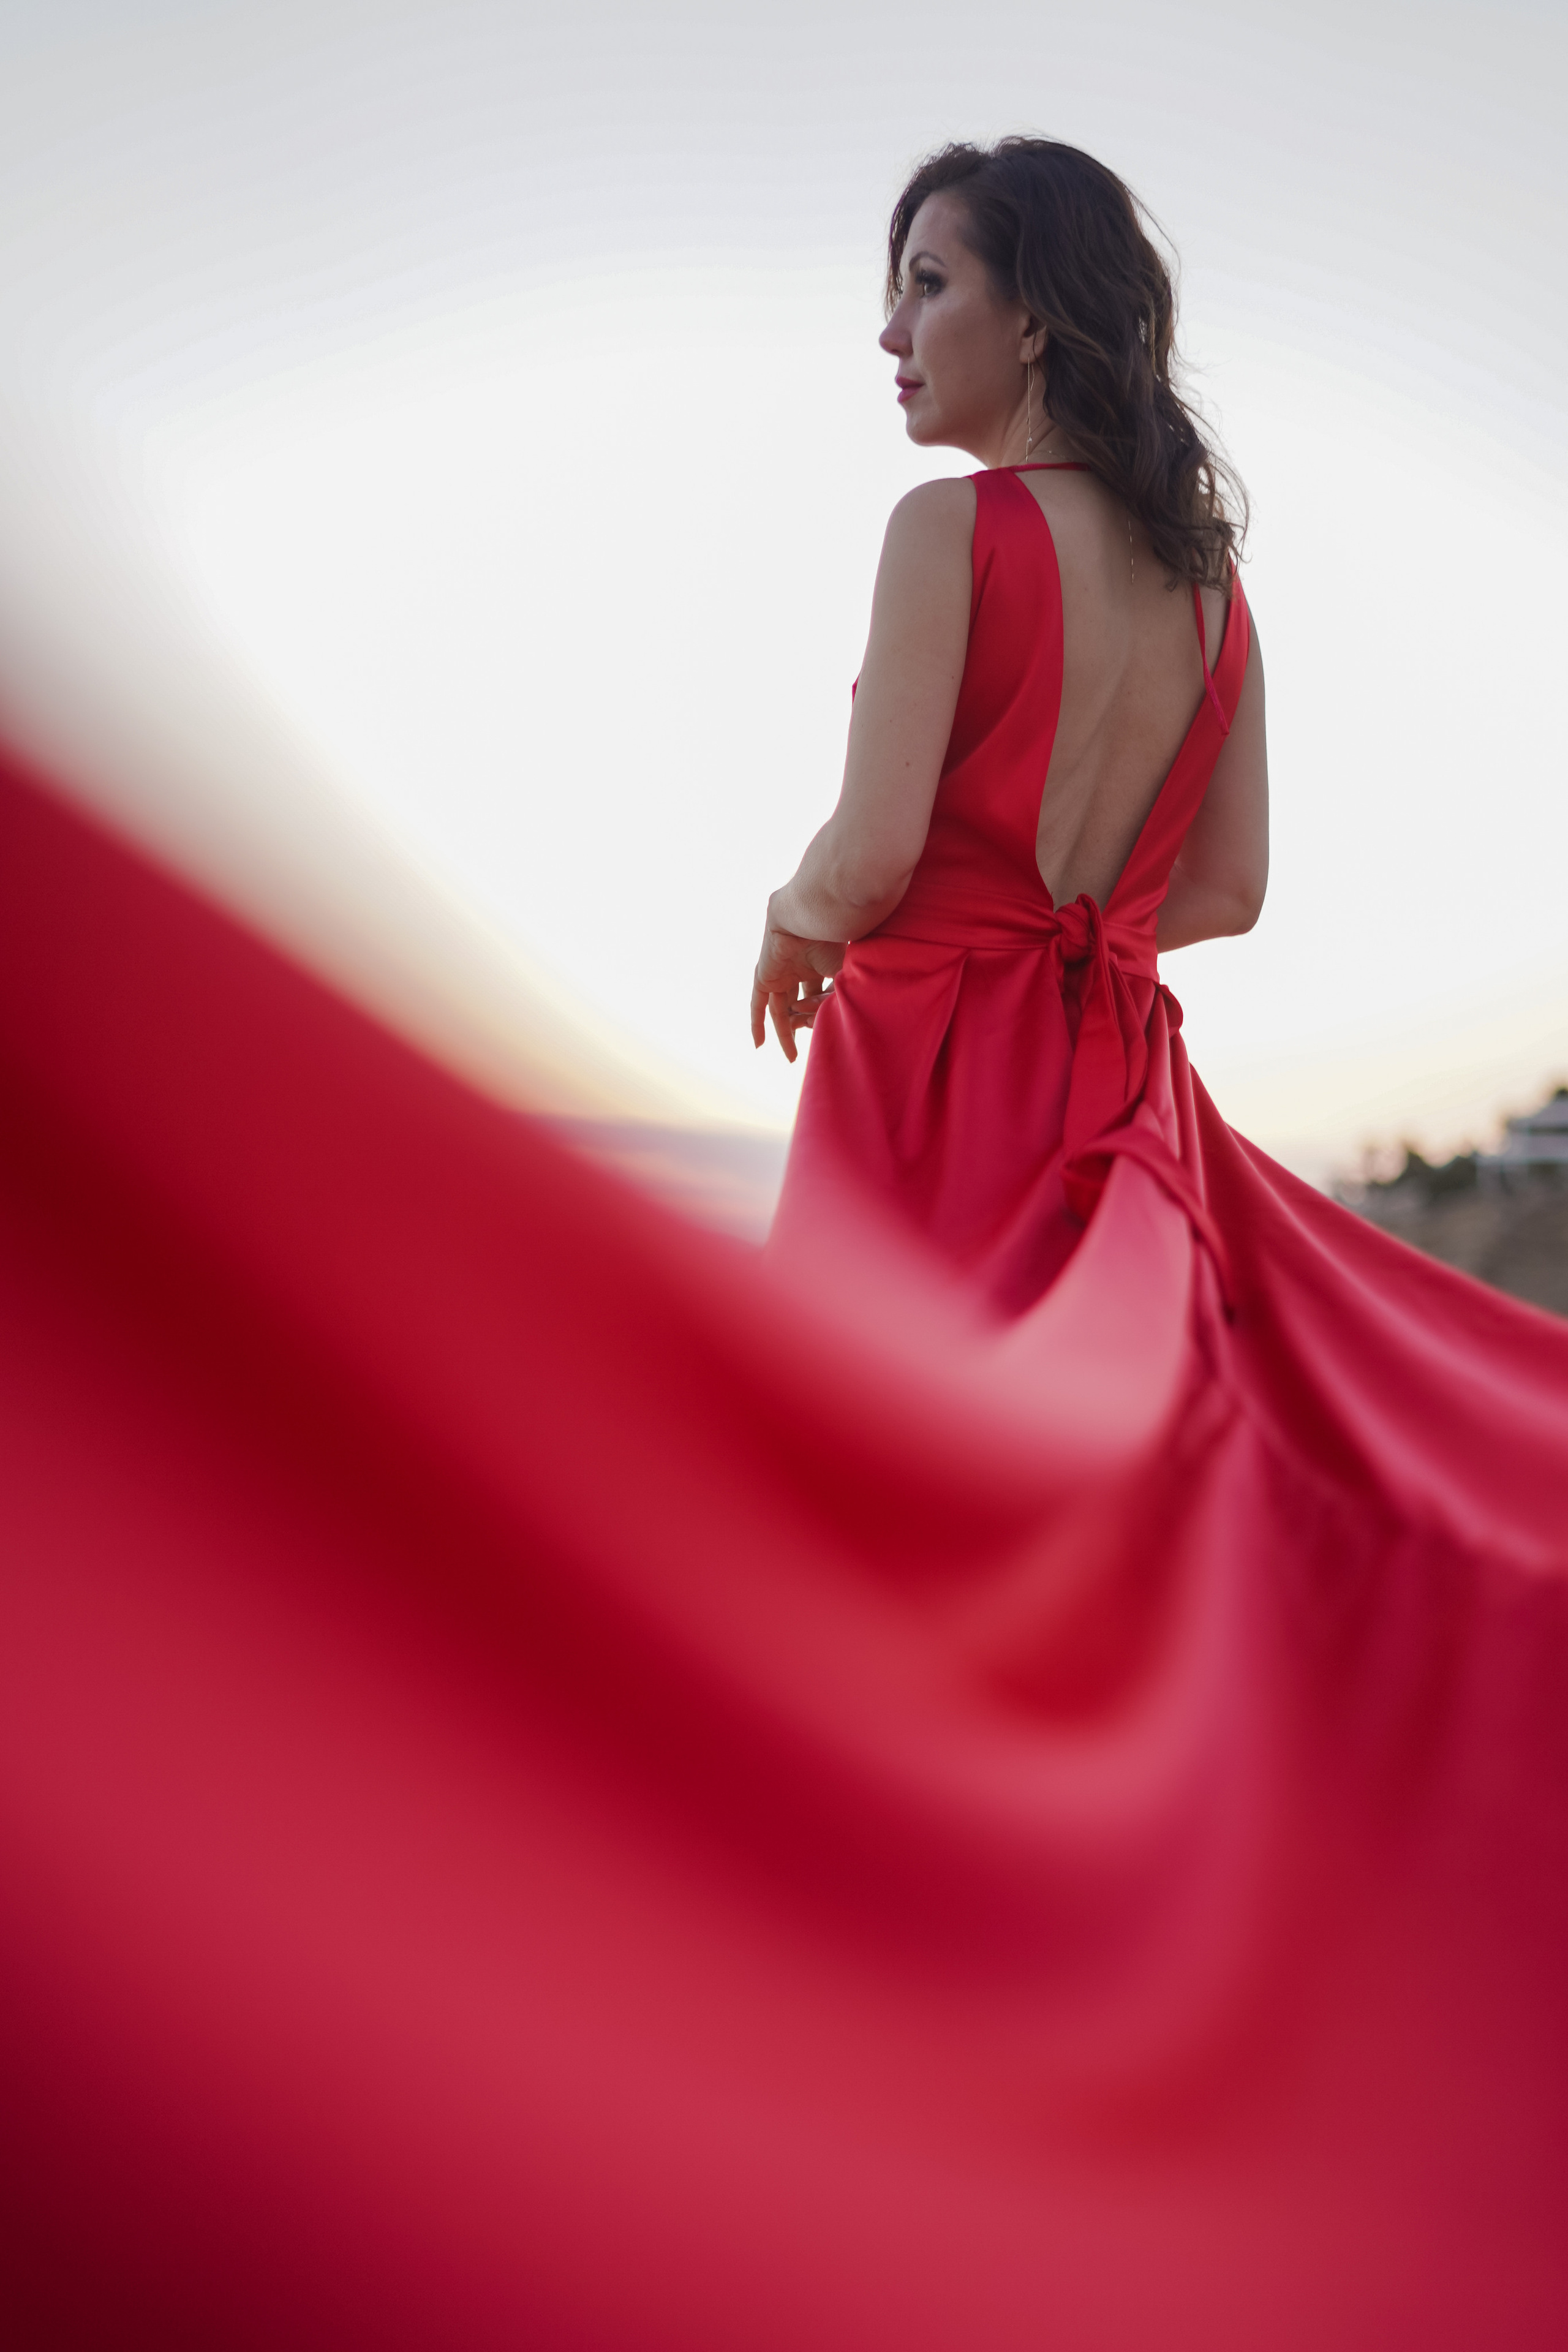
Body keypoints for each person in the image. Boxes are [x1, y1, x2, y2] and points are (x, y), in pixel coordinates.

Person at [754, 138, 1266, 1309]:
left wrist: (795, 911)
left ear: (1032, 321)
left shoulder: (947, 528)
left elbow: (874, 857)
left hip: (926, 1086)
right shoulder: (1214, 590)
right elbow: (1233, 890)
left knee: (863, 1449)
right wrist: (1089, 939)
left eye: (930, 284)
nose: (894, 333)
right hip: (1125, 1095)